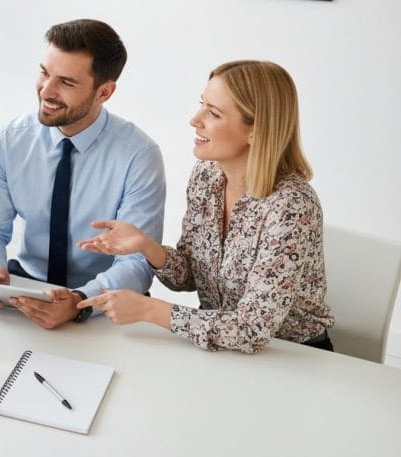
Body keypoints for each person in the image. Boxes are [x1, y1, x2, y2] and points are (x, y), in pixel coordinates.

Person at [76, 60, 334, 353]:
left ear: (255, 130)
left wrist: (150, 310)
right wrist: (147, 246)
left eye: (213, 113)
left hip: (293, 357)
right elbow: (190, 276)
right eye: (202, 105)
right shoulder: (207, 177)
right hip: (221, 350)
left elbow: (251, 329)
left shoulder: (292, 207)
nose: (195, 119)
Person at [0, 19, 165, 329]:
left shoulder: (139, 156)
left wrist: (79, 302)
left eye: (66, 82)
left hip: (103, 301)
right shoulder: (12, 139)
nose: (46, 91)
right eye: (44, 73)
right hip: (24, 288)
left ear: (104, 92)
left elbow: (137, 263)